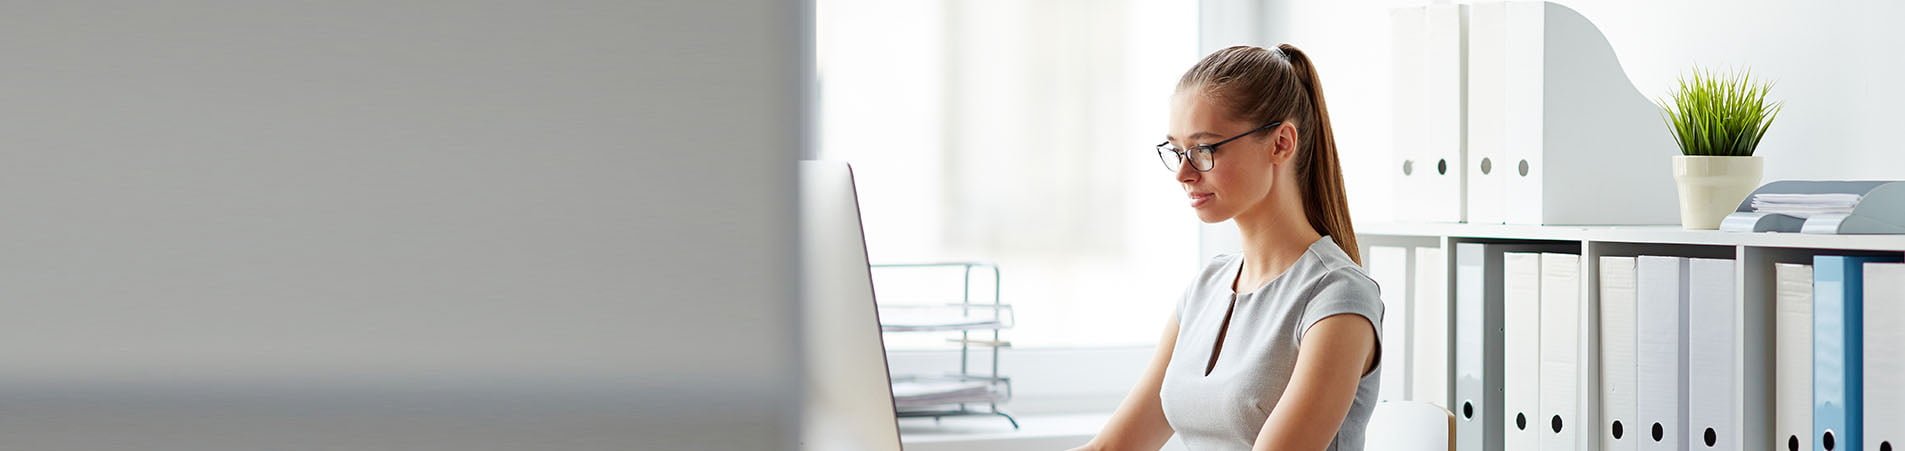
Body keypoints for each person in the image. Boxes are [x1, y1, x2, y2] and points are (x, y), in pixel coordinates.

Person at [1071, 44, 1384, 451]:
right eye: (1177, 150)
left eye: (1204, 149)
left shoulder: (1337, 297)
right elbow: (1111, 448)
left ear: (1281, 144)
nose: (1183, 173)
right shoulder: (1207, 287)